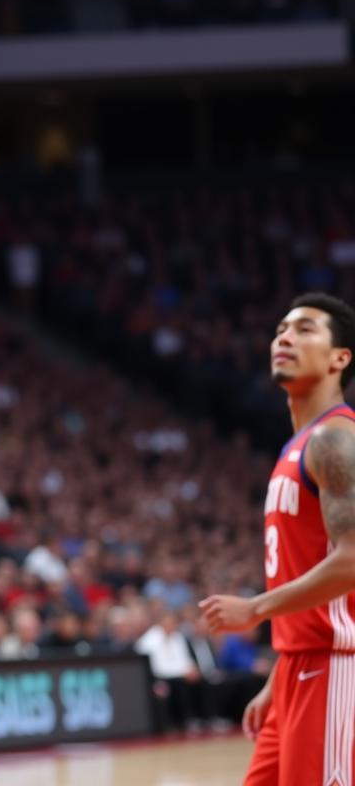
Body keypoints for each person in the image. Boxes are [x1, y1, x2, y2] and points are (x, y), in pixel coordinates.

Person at [200, 293, 355, 784]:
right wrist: (278, 678)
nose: (284, 337)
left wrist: (256, 609)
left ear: (339, 358)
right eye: (281, 329)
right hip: (298, 668)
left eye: (305, 329)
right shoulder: (298, 445)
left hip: (335, 668)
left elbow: (353, 561)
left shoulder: (336, 439)